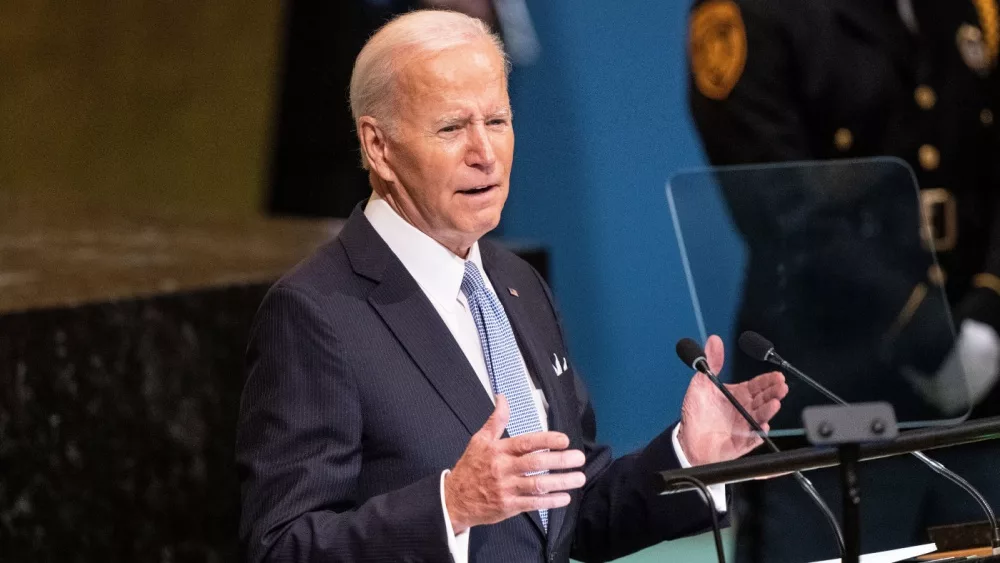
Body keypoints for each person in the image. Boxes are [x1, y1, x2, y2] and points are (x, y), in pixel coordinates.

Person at [237, 9, 789, 563]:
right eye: (452, 128)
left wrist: (689, 454)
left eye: (497, 122)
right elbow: (279, 547)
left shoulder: (515, 281)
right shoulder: (316, 313)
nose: (485, 153)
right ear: (379, 148)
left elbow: (573, 510)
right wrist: (450, 507)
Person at [687, 0, 1000, 560]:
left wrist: (991, 309)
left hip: (986, 392)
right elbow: (778, 205)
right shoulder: (749, 13)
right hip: (832, 389)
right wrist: (927, 333)